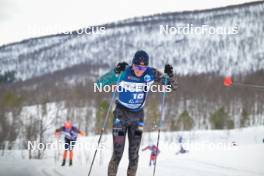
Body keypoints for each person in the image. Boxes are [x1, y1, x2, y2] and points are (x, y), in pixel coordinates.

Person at [96, 50, 178, 176]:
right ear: (132, 64)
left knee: (134, 154)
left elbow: (172, 87)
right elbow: (99, 84)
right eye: (137, 66)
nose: (140, 70)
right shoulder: (124, 72)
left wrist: (170, 75)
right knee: (118, 153)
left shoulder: (151, 73)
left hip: (138, 117)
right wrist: (115, 72)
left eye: (143, 67)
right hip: (121, 116)